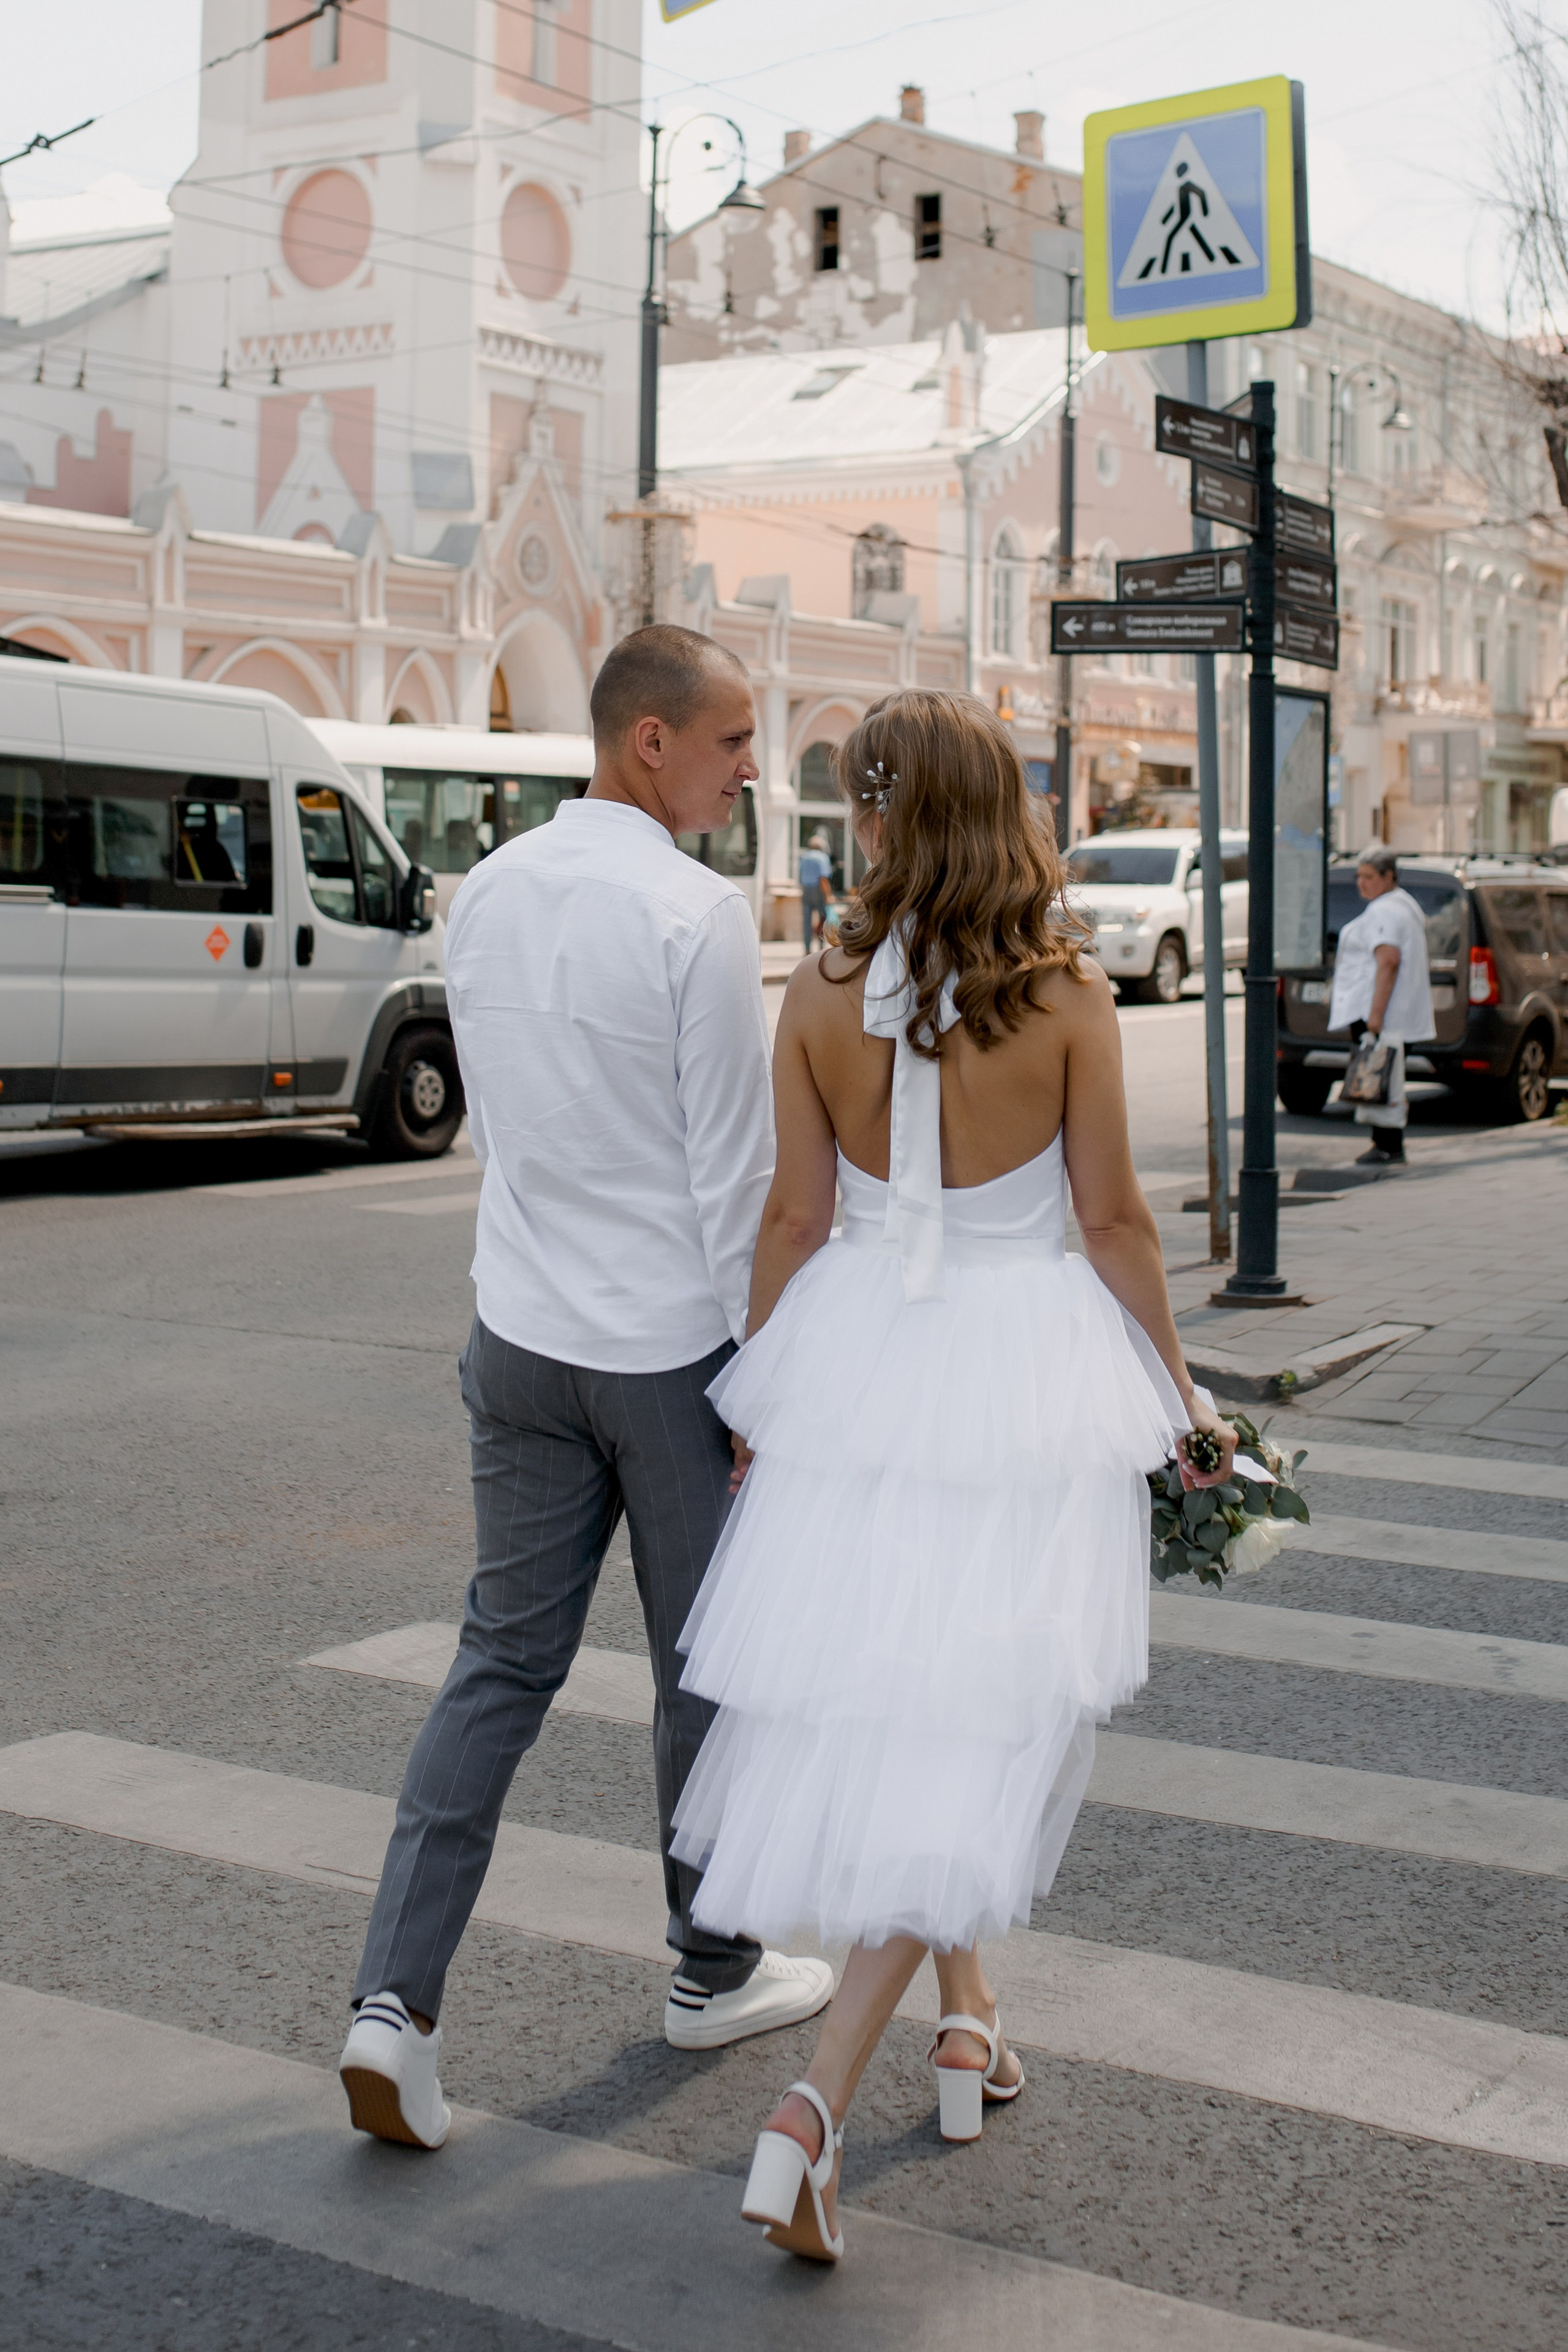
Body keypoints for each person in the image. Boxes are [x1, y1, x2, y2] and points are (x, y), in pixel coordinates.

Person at [668, 688, 1237, 2263]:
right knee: (976, 1730)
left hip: (859, 1369)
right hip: (1022, 1381)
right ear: (1001, 812)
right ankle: (811, 2107)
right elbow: (1111, 1223)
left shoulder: (814, 987)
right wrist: (1180, 1398)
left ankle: (967, 2021)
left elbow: (791, 1220)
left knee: (921, 1706)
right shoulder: (1063, 994)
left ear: (874, 814)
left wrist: (761, 1393)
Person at [339, 625, 833, 2152]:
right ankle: (710, 1965)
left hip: (520, 1331)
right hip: (664, 1353)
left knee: (498, 1663)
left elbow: (502, 1127)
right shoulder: (692, 914)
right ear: (648, 741)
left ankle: (391, 2004)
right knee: (700, 1666)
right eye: (732, 740)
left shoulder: (485, 890)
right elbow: (731, 1179)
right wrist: (759, 1377)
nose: (751, 769)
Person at [1326, 843, 1434, 1166]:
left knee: (1381, 1076)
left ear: (1388, 877)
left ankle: (1387, 1146)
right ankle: (1387, 1144)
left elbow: (1388, 961)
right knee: (1388, 1076)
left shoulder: (1385, 911)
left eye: (1369, 877)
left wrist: (1375, 1015)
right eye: (1359, 876)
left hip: (1384, 1014)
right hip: (1398, 1013)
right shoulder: (1404, 905)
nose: (1362, 883)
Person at [798, 829, 834, 951]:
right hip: (818, 890)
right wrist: (829, 895)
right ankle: (821, 945)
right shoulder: (823, 857)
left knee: (807, 920)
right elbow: (824, 878)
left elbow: (800, 874)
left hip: (806, 889)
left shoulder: (804, 857)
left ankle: (807, 948)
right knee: (822, 918)